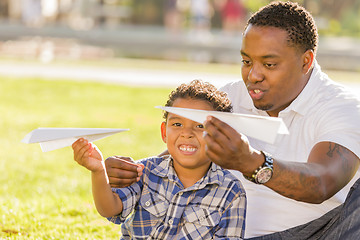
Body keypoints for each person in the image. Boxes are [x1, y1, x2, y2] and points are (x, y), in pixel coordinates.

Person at [105, 1, 360, 239]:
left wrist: (253, 163)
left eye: (269, 64)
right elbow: (181, 155)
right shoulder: (231, 97)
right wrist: (133, 172)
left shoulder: (342, 106)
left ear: (306, 61)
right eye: (246, 61)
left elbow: (322, 182)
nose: (254, 75)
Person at [72, 80, 247, 239]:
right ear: (164, 132)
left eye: (200, 126)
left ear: (219, 136)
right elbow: (110, 208)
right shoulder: (145, 171)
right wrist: (98, 171)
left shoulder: (231, 191)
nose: (186, 133)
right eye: (177, 124)